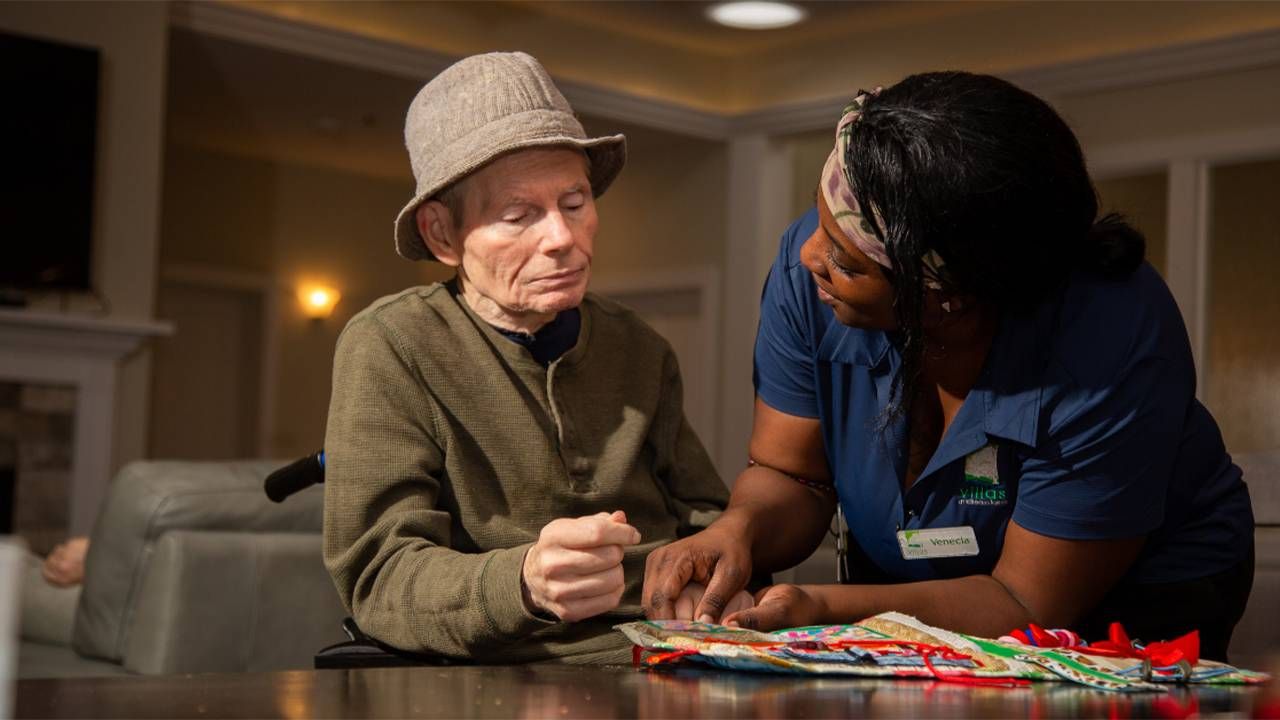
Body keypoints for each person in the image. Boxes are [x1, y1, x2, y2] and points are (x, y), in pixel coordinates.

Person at [643, 71, 1255, 661]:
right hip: (908, 583)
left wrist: (822, 609)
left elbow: (1025, 601)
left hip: (1120, 602)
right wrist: (738, 530)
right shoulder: (818, 271)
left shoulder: (1114, 340)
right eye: (819, 221)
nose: (809, 256)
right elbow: (791, 474)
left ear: (951, 294)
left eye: (849, 263)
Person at [322, 52, 737, 665]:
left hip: (674, 651)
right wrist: (525, 581)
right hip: (515, 666)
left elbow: (707, 517)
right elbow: (378, 579)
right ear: (442, 235)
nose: (562, 238)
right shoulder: (393, 345)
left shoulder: (638, 347)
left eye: (574, 204)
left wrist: (709, 577)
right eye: (519, 215)